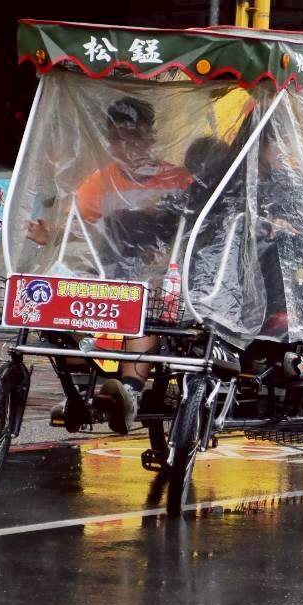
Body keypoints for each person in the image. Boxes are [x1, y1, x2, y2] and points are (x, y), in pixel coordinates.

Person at [27, 96, 193, 434]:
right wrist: (51, 235)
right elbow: (73, 225)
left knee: (146, 313)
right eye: (118, 138)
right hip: (109, 274)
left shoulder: (178, 180)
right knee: (61, 304)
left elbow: (200, 232)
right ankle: (81, 391)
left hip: (161, 278)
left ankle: (128, 392)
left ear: (149, 136)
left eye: (133, 136)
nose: (126, 145)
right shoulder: (100, 181)